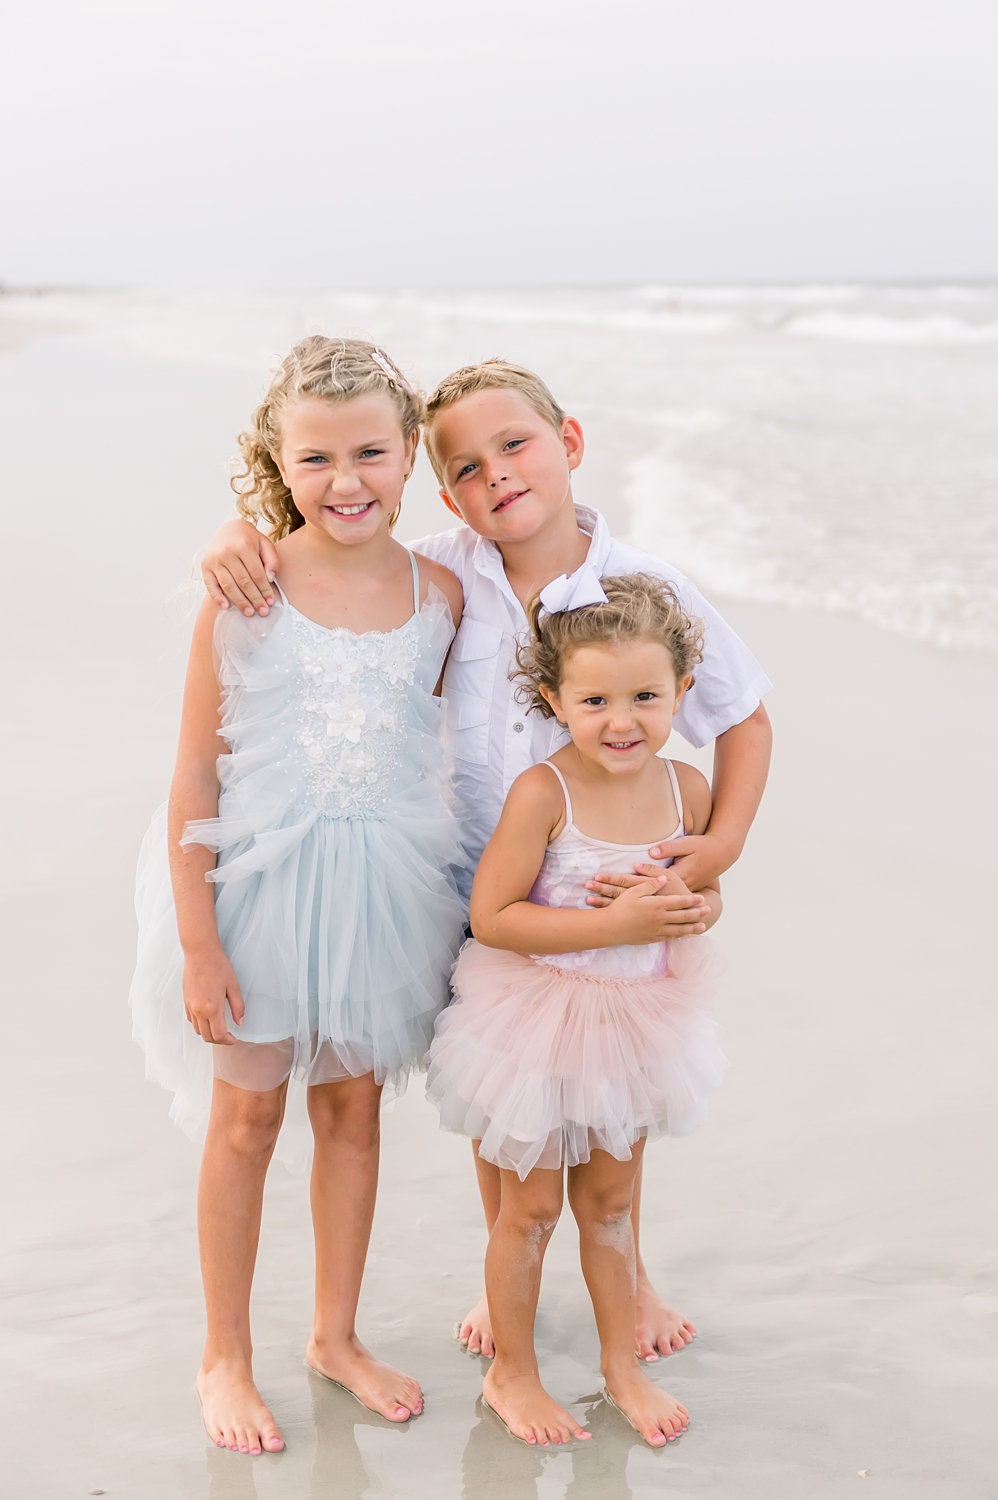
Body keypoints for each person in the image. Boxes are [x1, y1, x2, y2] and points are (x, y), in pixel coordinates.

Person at [199, 357, 772, 1362]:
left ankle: (625, 1275)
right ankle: (504, 1274)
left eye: (515, 445)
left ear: (570, 445)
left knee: (611, 1093)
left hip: (610, 883)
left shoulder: (643, 587)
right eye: (466, 466)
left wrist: (715, 847)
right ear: (439, 482)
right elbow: (331, 553)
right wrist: (235, 533)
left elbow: (744, 715)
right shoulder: (443, 571)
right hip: (478, 888)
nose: (495, 475)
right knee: (501, 1097)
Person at [130, 337, 466, 1456]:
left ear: (410, 453)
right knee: (247, 1117)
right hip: (259, 894)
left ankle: (334, 1334)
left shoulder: (441, 594)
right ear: (278, 460)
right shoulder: (246, 591)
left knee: (352, 1110)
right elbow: (194, 771)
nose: (347, 480)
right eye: (315, 458)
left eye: (371, 451)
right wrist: (196, 942)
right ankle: (224, 1352)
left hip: (381, 895)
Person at [427, 573, 725, 1447]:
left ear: (681, 692)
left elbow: (703, 898)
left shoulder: (688, 794)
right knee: (531, 1212)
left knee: (610, 1210)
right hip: (538, 1026)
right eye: (594, 700)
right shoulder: (542, 794)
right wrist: (616, 918)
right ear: (554, 699)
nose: (621, 720)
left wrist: (695, 909)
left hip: (636, 1026)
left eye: (645, 696)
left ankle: (619, 1368)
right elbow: (494, 917)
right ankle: (510, 1373)